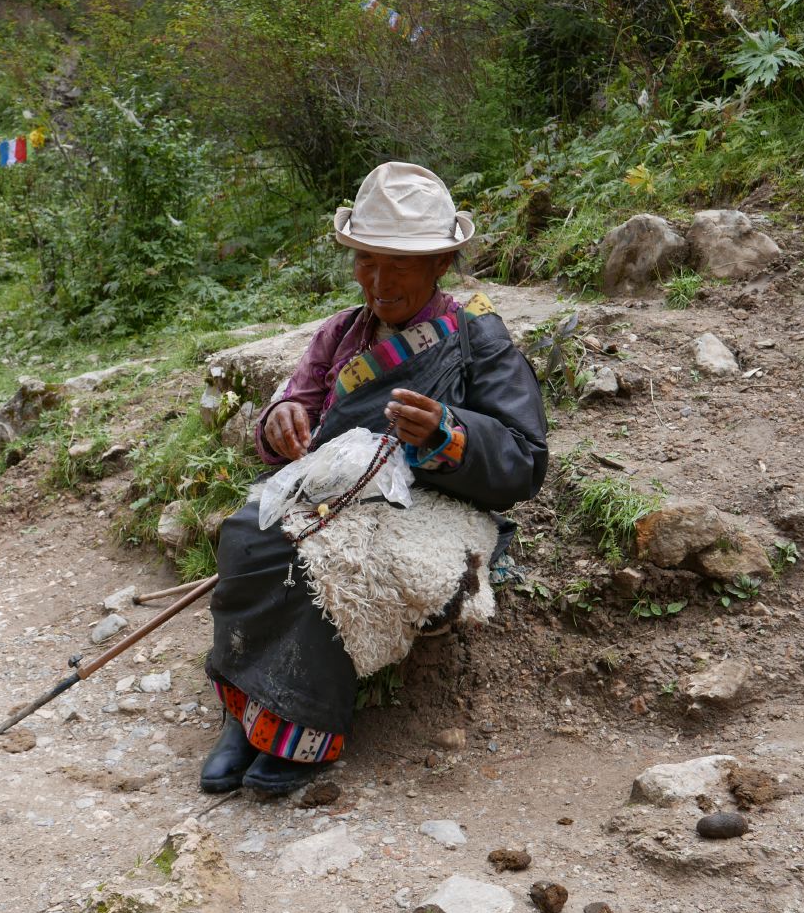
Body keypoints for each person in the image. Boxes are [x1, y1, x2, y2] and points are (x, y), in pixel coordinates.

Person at [200, 162, 549, 795]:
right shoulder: (340, 334)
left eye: (399, 266)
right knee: (248, 535)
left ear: (441, 263)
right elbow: (292, 404)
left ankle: (300, 730)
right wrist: (282, 419)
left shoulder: (479, 340)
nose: (379, 282)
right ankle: (242, 712)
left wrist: (449, 431)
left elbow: (525, 458)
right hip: (334, 491)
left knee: (330, 562)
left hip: (429, 502)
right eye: (366, 261)